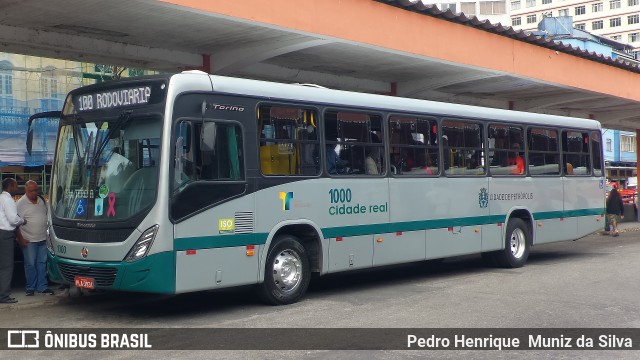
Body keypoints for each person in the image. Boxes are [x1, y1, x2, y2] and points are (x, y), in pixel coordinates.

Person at [16, 181, 54, 296]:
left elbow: (47, 215)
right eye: (31, 191)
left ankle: (42, 287)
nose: (34, 193)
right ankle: (30, 288)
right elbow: (15, 224)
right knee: (30, 264)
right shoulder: (20, 204)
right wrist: (20, 239)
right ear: (25, 191)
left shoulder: (42, 200)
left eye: (35, 190)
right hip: (29, 241)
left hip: (42, 239)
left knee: (42, 263)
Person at [0, 178, 26, 304]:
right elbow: (13, 220)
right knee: (6, 267)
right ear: (10, 186)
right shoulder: (8, 200)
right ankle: (4, 296)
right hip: (5, 235)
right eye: (15, 186)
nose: (17, 189)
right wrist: (22, 220)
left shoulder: (0, 198)